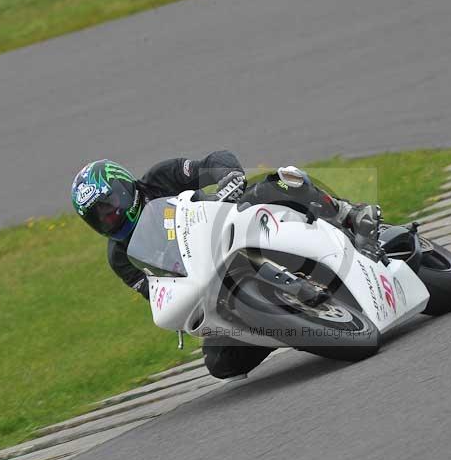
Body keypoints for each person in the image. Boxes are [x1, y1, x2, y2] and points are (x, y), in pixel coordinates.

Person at [70, 151, 381, 379]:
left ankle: (348, 214)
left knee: (281, 180)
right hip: (210, 281)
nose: (108, 218)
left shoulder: (160, 177)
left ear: (124, 188)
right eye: (97, 217)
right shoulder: (120, 257)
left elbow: (211, 162)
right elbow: (156, 292)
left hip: (231, 225)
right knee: (221, 363)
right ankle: (287, 327)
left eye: (109, 207)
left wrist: (227, 176)